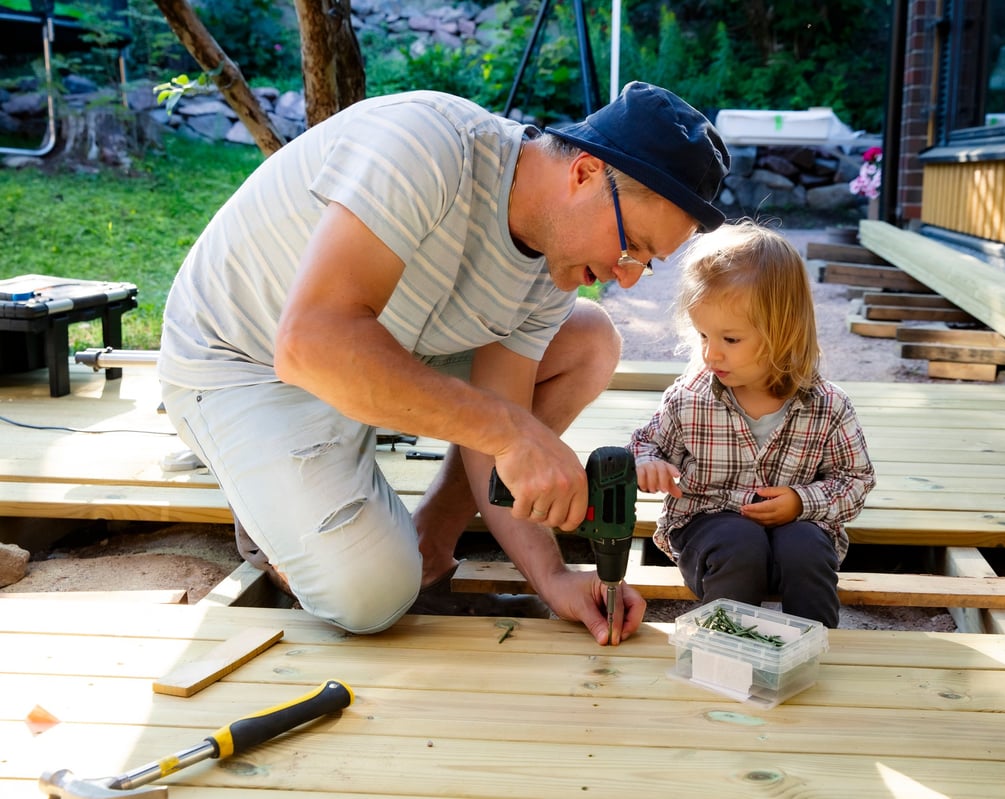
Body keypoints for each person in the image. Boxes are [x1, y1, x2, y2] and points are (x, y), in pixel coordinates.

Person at [157, 81, 730, 645]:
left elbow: (496, 426)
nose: (627, 277)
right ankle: (264, 503)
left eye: (648, 264)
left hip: (386, 344)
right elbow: (313, 342)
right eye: (634, 247)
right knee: (371, 596)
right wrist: (514, 434)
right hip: (249, 360)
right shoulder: (428, 147)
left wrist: (553, 577)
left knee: (588, 340)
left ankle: (430, 539)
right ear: (584, 173)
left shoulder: (552, 265)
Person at [627, 222, 875, 627]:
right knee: (738, 541)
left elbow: (856, 480)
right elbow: (644, 444)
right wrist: (647, 464)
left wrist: (801, 502)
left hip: (792, 540)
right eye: (703, 334)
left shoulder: (828, 406)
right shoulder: (690, 398)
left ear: (783, 332)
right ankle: (727, 645)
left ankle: (812, 646)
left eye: (730, 339)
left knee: (808, 546)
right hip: (710, 536)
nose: (711, 354)